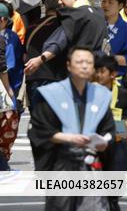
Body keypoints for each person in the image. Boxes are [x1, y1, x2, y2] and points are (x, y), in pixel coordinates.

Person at [27, 47, 114, 211]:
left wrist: (104, 142)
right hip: (61, 162)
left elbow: (108, 129)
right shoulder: (53, 94)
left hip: (91, 162)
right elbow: (39, 129)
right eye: (79, 62)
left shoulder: (101, 95)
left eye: (89, 62)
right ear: (68, 65)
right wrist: (68, 138)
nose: (84, 66)